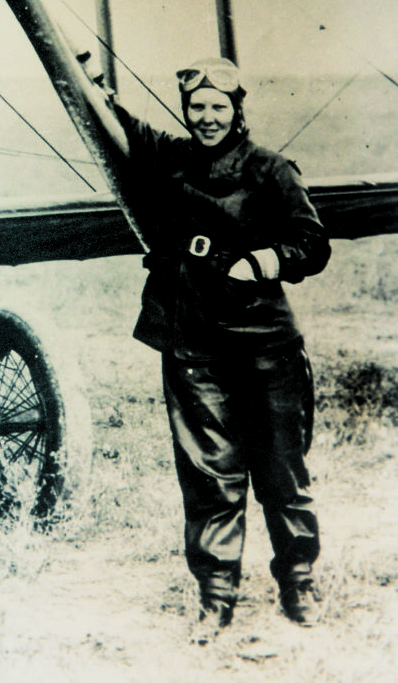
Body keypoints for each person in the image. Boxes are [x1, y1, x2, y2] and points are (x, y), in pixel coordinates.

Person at [112, 57, 331, 642]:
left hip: (267, 346)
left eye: (218, 107)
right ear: (186, 111)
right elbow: (123, 126)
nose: (207, 118)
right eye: (197, 108)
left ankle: (299, 582)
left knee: (282, 470)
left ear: (237, 111)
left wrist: (263, 261)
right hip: (193, 347)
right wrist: (91, 83)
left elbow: (311, 243)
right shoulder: (175, 159)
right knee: (209, 477)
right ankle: (216, 599)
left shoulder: (270, 170)